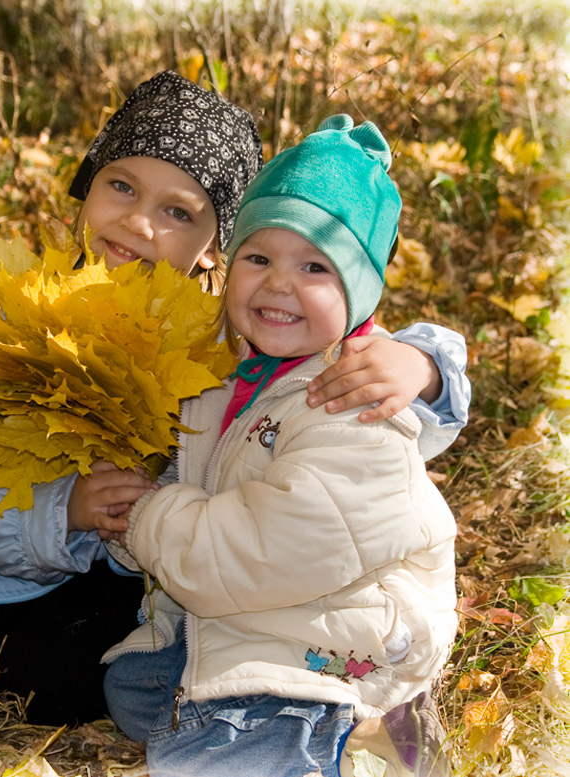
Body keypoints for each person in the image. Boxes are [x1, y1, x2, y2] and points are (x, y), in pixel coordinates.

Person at [0, 72, 469, 728]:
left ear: (220, 243)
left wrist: (422, 363)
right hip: (3, 578)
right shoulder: (30, 320)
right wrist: (65, 510)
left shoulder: (232, 328)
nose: (138, 222)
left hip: (149, 579)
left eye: (178, 212)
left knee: (86, 665)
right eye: (121, 186)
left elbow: (341, 348)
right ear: (88, 184)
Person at [101, 115, 458, 777]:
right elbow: (203, 483)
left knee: (217, 752)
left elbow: (268, 545)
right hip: (267, 598)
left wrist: (149, 517)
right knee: (134, 688)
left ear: (360, 293)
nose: (278, 283)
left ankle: (366, 721)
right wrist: (127, 517)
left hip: (340, 627)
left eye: (315, 266)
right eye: (259, 257)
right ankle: (345, 722)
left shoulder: (350, 399)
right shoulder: (232, 376)